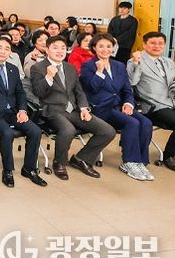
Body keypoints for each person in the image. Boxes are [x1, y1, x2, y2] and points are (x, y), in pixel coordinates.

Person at [30, 36, 116, 180]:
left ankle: (82, 159)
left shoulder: (69, 67)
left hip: (74, 110)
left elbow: (78, 91)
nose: (60, 51)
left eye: (63, 48)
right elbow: (38, 92)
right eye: (55, 48)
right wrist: (48, 77)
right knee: (68, 130)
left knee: (108, 131)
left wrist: (84, 108)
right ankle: (59, 163)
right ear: (47, 49)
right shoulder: (38, 67)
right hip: (52, 110)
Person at [0, 37, 46, 188]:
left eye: (7, 49)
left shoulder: (13, 69)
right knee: (7, 133)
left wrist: (23, 110)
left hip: (12, 112)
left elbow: (20, 93)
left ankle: (29, 168)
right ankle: (8, 171)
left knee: (35, 131)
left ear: (10, 52)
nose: (3, 51)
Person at [80, 33, 154, 181]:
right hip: (101, 108)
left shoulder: (119, 65)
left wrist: (128, 103)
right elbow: (92, 88)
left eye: (109, 46)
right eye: (101, 46)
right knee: (131, 123)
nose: (105, 49)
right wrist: (99, 72)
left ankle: (140, 161)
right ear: (94, 48)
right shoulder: (88, 66)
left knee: (146, 122)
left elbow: (127, 89)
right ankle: (129, 162)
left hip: (118, 106)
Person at [127, 32, 175, 171]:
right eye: (153, 43)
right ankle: (169, 156)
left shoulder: (167, 61)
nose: (157, 46)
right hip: (153, 106)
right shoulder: (135, 60)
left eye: (160, 43)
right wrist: (136, 63)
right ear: (144, 44)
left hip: (171, 102)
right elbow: (131, 82)